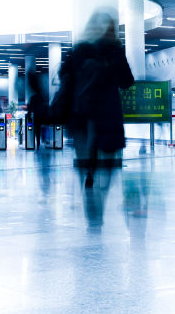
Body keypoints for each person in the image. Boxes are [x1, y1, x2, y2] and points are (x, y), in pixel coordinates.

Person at [55, 10, 134, 188]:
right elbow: (127, 81)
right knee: (107, 156)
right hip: (107, 112)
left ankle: (89, 176)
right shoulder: (114, 52)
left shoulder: (79, 49)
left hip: (81, 112)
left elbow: (63, 75)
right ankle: (100, 196)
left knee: (85, 152)